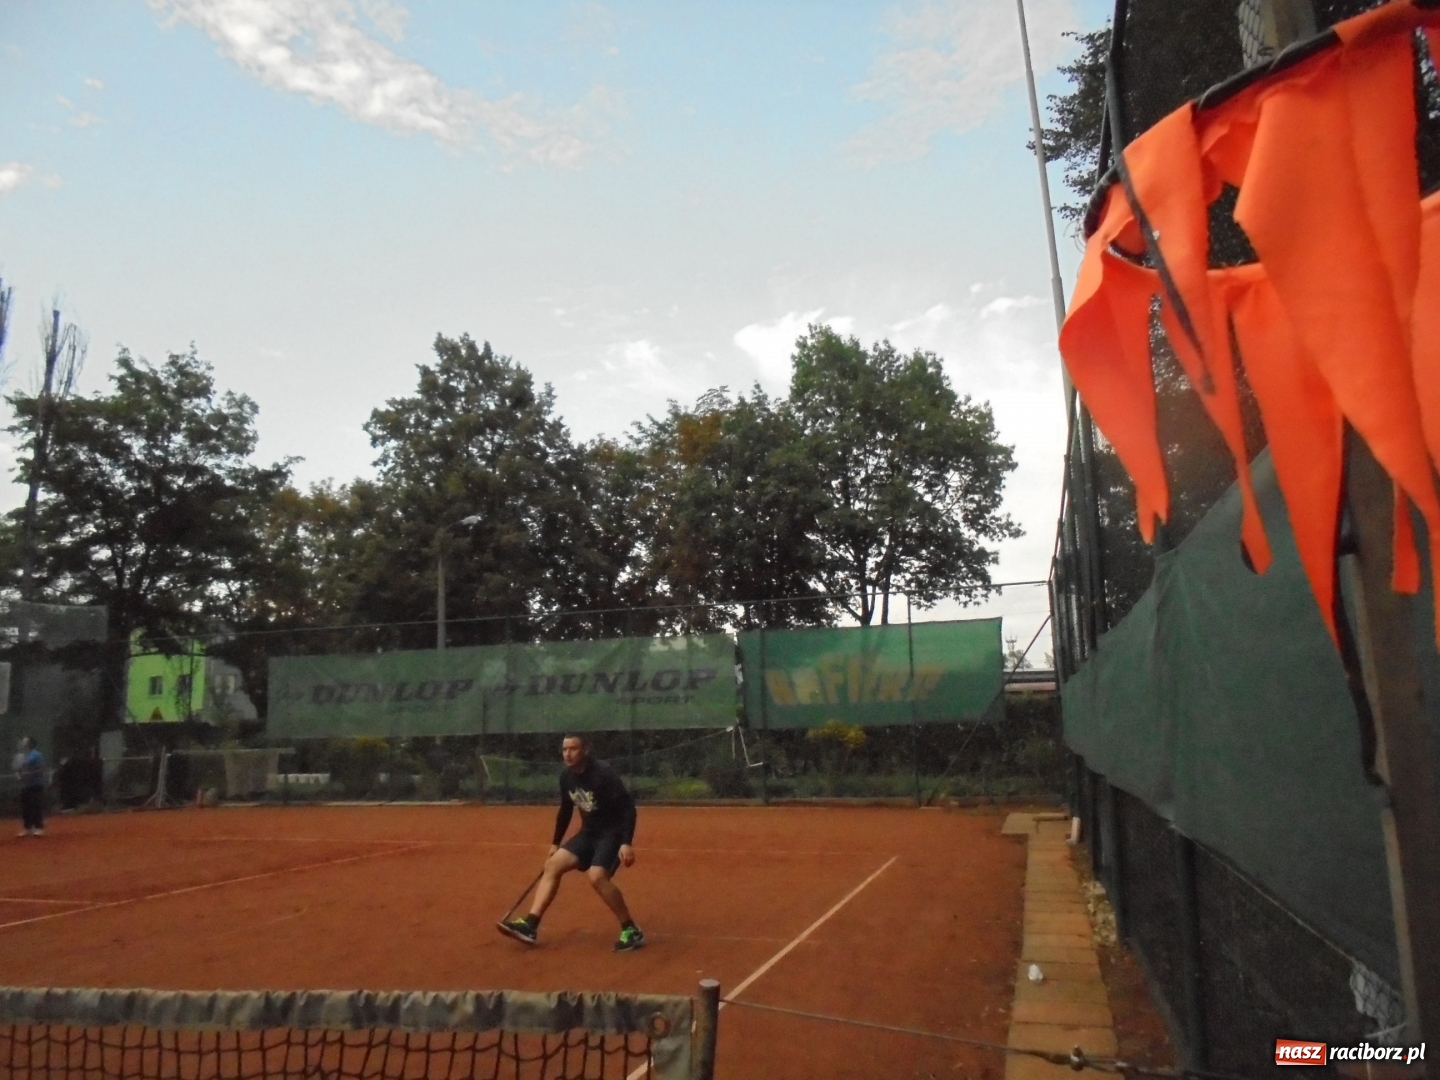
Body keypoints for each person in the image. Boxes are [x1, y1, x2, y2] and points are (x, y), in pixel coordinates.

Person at [498, 734, 644, 951]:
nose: (568, 754)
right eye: (565, 749)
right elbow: (565, 811)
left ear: (585, 749)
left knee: (597, 877)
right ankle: (531, 924)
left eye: (573, 749)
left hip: (611, 834)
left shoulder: (603, 773)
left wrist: (626, 842)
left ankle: (630, 929)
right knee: (553, 865)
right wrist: (555, 844)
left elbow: (627, 808)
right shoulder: (567, 777)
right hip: (588, 833)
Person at [14, 737, 46, 837]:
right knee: (25, 807)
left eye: (24, 741)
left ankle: (38, 828)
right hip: (25, 786)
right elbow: (17, 769)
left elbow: (41, 769)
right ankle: (28, 828)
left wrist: (28, 774)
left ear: (30, 744)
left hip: (36, 785)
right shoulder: (20, 756)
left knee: (36, 806)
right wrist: (19, 776)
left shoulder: (37, 755)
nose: (22, 743)